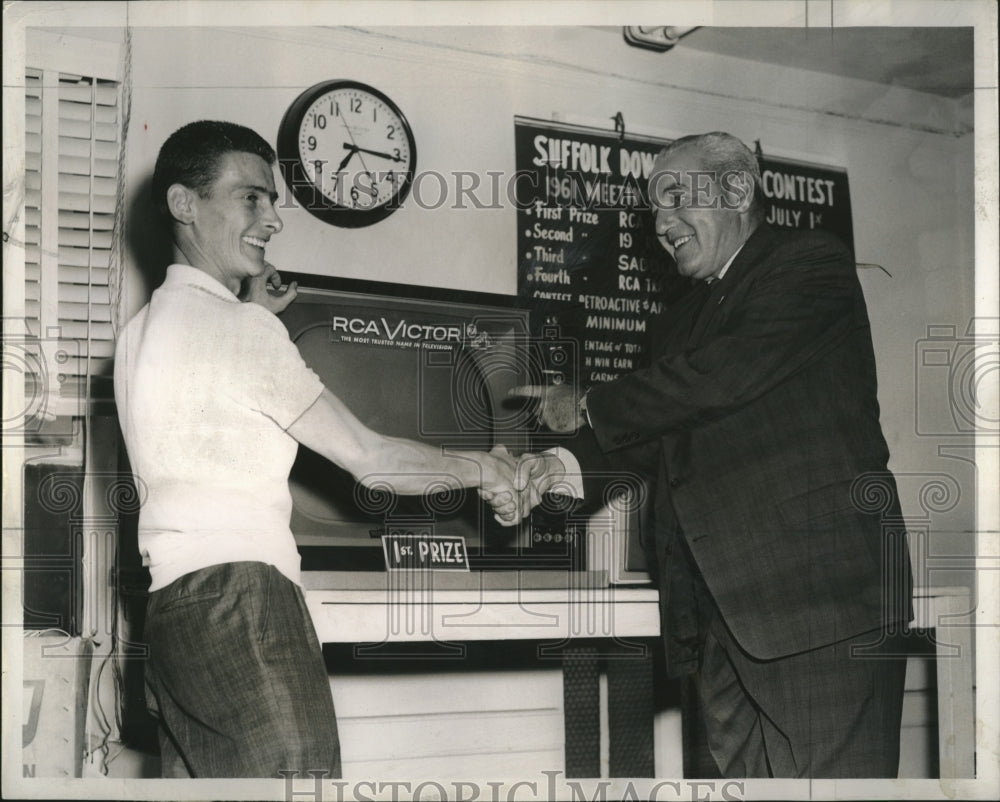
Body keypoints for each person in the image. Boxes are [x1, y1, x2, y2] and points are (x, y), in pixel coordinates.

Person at [114, 120, 520, 778]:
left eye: (272, 200)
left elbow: (211, 416)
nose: (273, 218)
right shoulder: (238, 330)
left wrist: (256, 311)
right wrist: (482, 466)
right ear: (183, 204)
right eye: (251, 197)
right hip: (244, 603)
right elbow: (372, 458)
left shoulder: (142, 332)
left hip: (172, 616)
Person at [512, 132, 913, 778]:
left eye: (675, 197)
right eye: (653, 211)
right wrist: (555, 469)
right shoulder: (676, 323)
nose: (662, 224)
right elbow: (653, 436)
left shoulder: (810, 264)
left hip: (821, 608)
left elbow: (721, 377)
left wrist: (587, 401)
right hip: (716, 618)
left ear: (736, 188)